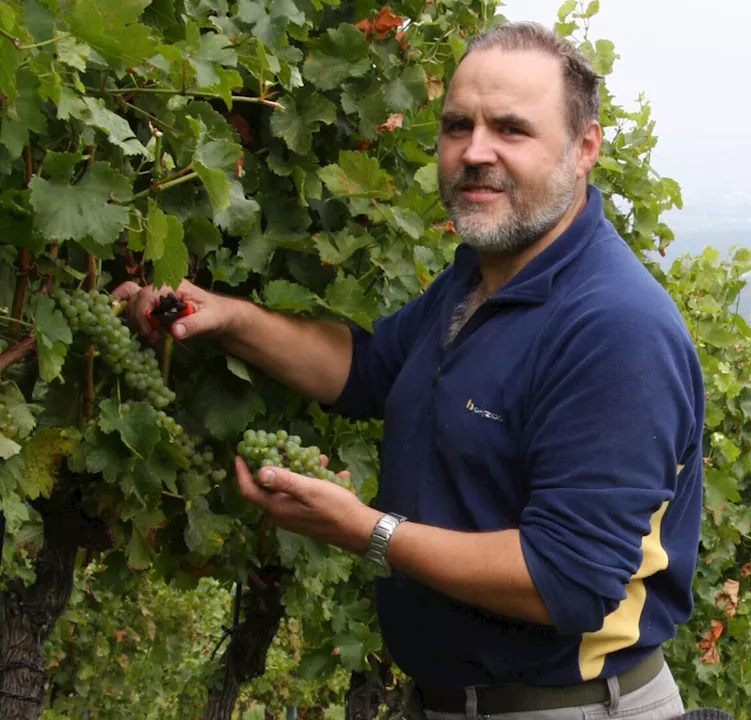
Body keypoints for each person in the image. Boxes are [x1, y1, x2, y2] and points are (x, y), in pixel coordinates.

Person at [116, 21, 704, 720]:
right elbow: (364, 370)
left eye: (511, 130)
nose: (475, 152)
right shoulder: (478, 281)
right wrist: (230, 320)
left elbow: (569, 580)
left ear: (585, 149)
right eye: (458, 126)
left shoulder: (613, 327)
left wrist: (370, 532)